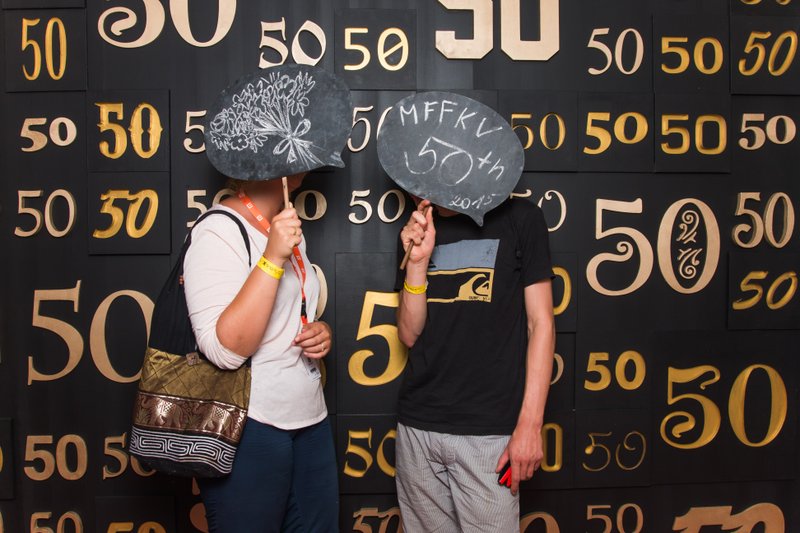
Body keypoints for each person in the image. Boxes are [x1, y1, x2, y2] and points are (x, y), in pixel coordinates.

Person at [183, 173, 338, 532]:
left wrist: (319, 331)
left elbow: (286, 314)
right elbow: (225, 349)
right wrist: (271, 257)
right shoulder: (218, 229)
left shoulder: (285, 226)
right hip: (250, 423)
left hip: (309, 417)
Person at [394, 196, 555, 532]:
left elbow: (540, 323)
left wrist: (530, 426)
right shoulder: (416, 230)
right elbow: (409, 334)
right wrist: (417, 263)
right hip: (418, 429)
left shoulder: (521, 217)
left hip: (490, 437)